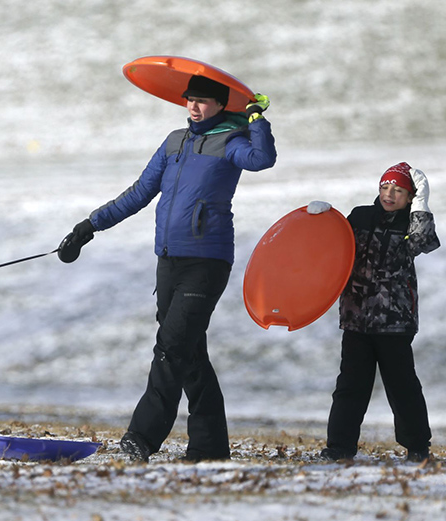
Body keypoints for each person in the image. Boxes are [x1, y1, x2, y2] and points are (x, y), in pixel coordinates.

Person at [58, 75, 277, 462]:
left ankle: (141, 437)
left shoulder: (232, 140)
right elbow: (141, 192)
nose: (194, 107)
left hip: (207, 261)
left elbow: (262, 160)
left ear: (220, 105)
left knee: (171, 349)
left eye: (204, 101)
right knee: (190, 354)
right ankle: (210, 448)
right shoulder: (175, 141)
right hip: (168, 260)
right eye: (190, 100)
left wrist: (257, 119)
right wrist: (90, 226)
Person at [309, 163, 439, 462]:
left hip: (395, 321)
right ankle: (339, 448)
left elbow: (422, 242)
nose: (389, 194)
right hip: (356, 317)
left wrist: (421, 204)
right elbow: (332, 243)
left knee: (402, 386)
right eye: (385, 187)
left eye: (399, 190)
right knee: (350, 386)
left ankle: (418, 447)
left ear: (410, 197)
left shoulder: (412, 222)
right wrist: (321, 218)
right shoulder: (360, 216)